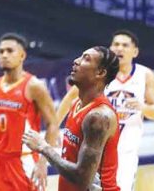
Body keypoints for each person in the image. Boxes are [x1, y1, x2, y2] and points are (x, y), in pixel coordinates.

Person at [56, 30, 154, 191]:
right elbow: (70, 98)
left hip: (126, 151)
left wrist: (143, 107)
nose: (119, 48)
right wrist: (53, 126)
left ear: (135, 51)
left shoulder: (145, 75)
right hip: (95, 146)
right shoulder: (99, 75)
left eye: (125, 45)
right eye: (116, 44)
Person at [23, 46, 121, 191]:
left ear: (100, 72)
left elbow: (82, 177)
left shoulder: (98, 117)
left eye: (86, 59)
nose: (76, 61)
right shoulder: (77, 104)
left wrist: (44, 148)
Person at [0, 33, 59, 191]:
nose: (4, 55)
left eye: (9, 51)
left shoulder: (34, 86)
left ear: (22, 55)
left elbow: (53, 124)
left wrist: (43, 162)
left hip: (24, 161)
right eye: (1, 52)